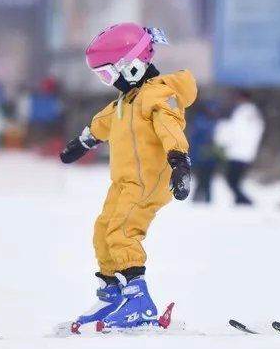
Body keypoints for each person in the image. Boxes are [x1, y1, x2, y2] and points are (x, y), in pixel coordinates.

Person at [59, 23, 195, 333]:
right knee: (104, 230)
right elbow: (104, 123)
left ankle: (139, 301)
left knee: (123, 232)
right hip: (123, 181)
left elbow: (170, 127)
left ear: (131, 65)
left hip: (149, 180)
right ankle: (113, 294)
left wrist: (179, 161)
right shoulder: (126, 102)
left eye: (107, 74)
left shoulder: (158, 96)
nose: (108, 82)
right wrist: (83, 142)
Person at [214, 91, 264, 206]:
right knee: (233, 180)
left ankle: (244, 201)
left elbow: (236, 131)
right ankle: (240, 200)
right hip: (245, 151)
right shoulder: (253, 113)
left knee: (232, 179)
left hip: (238, 151)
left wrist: (223, 138)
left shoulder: (243, 112)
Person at [189, 99, 220, 203]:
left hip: (211, 157)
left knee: (208, 179)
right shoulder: (200, 121)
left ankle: (207, 200)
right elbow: (194, 138)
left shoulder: (217, 122)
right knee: (201, 178)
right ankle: (197, 199)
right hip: (200, 156)